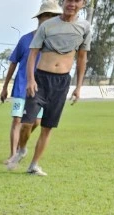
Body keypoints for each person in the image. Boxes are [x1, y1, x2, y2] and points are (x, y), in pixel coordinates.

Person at [21, 0, 89, 176]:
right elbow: (33, 53)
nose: (72, 4)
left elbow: (82, 58)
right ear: (63, 2)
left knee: (47, 127)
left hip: (62, 82)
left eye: (76, 1)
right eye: (68, 0)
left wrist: (78, 86)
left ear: (83, 4)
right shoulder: (48, 26)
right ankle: (21, 149)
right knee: (27, 123)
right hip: (41, 78)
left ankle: (34, 165)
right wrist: (30, 79)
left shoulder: (84, 28)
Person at [1, 0, 59, 168]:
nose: (50, 19)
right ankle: (13, 154)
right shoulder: (25, 39)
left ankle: (21, 147)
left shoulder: (54, 42)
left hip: (42, 88)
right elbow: (13, 62)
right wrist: (5, 87)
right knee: (18, 121)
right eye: (48, 15)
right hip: (22, 86)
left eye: (54, 16)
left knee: (36, 123)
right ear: (40, 18)